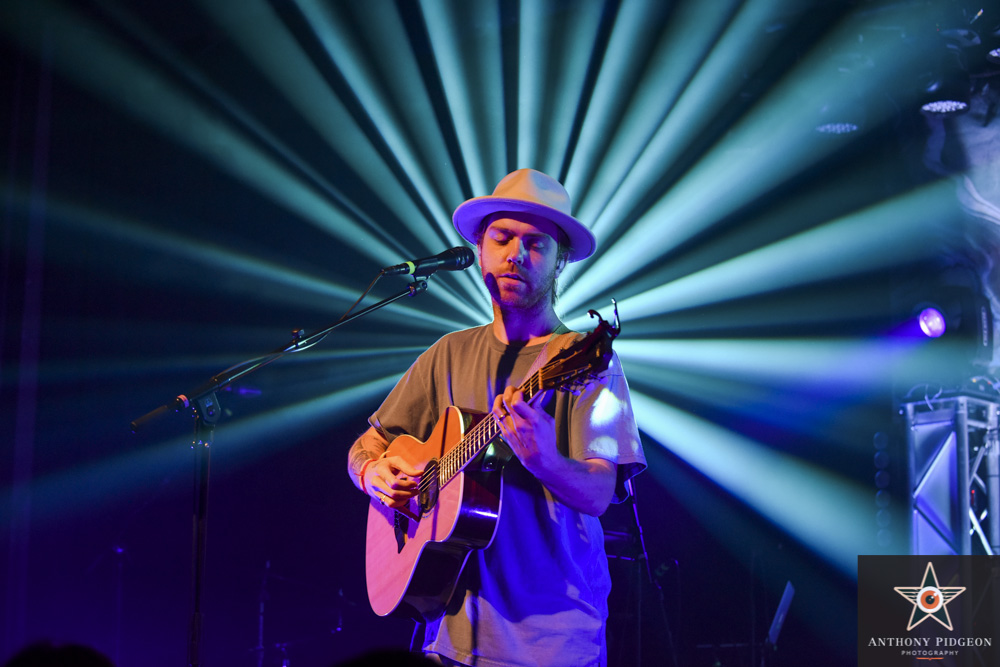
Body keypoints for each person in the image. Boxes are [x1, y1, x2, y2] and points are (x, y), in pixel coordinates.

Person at [347, 168, 646, 667]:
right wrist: (373, 474)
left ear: (559, 261)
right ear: (480, 250)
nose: (516, 255)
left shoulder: (585, 359)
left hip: (552, 639)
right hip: (447, 635)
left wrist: (545, 458)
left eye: (536, 244)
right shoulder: (447, 353)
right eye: (502, 238)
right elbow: (366, 446)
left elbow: (598, 494)